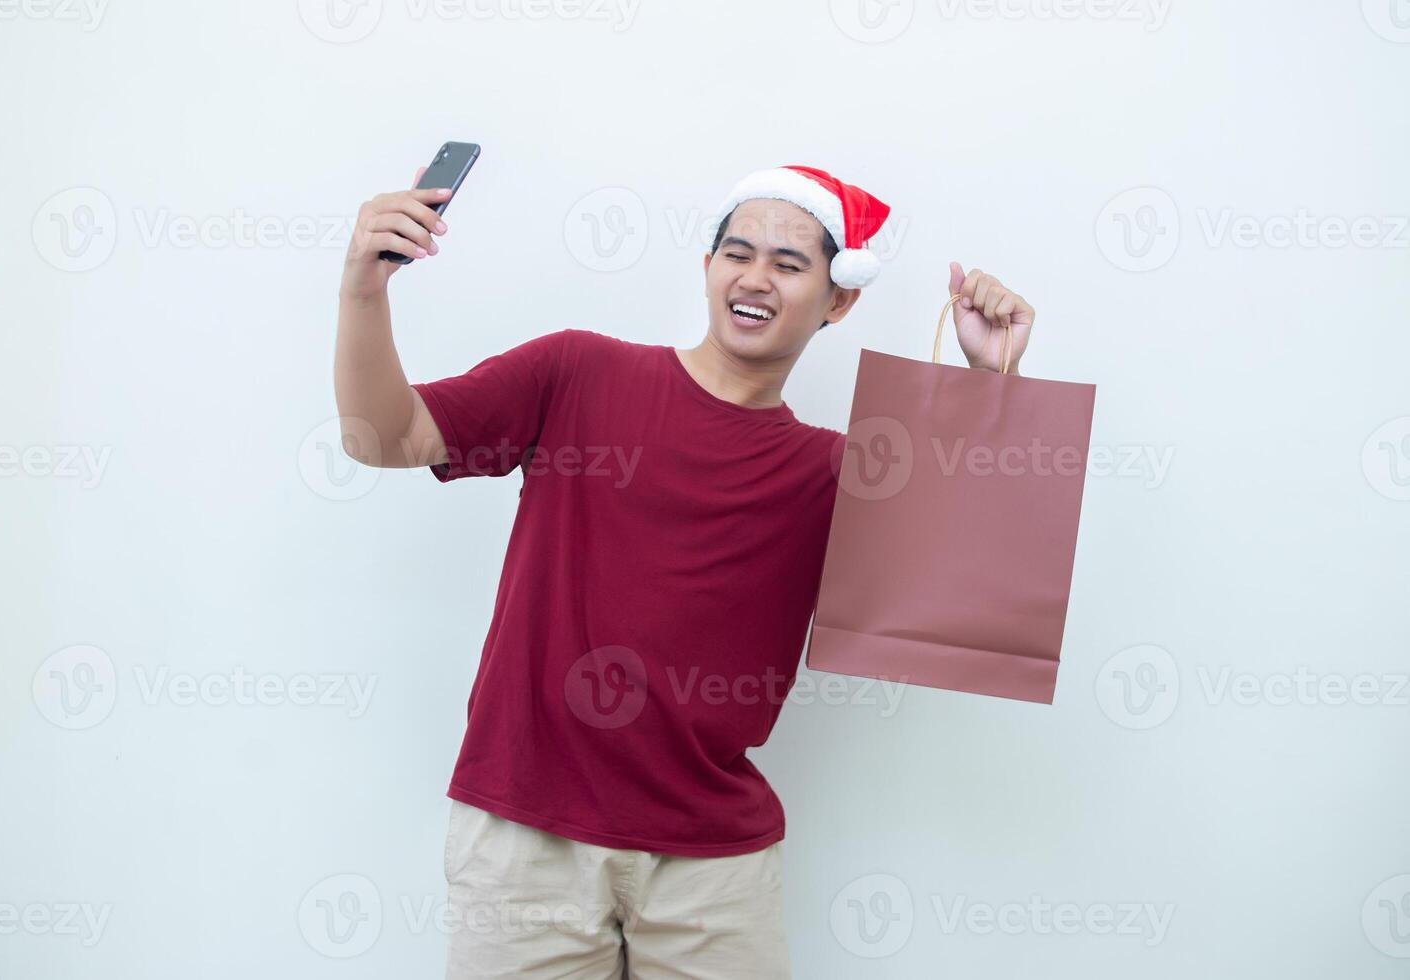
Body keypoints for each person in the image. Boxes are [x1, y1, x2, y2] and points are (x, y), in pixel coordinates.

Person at [333, 164, 1035, 979]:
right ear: (707, 268)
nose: (755, 276)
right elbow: (382, 438)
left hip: (714, 871)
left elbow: (979, 586)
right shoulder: (577, 372)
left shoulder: (833, 473)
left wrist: (995, 384)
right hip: (527, 842)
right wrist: (362, 290)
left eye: (789, 263)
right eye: (737, 252)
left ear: (839, 299)